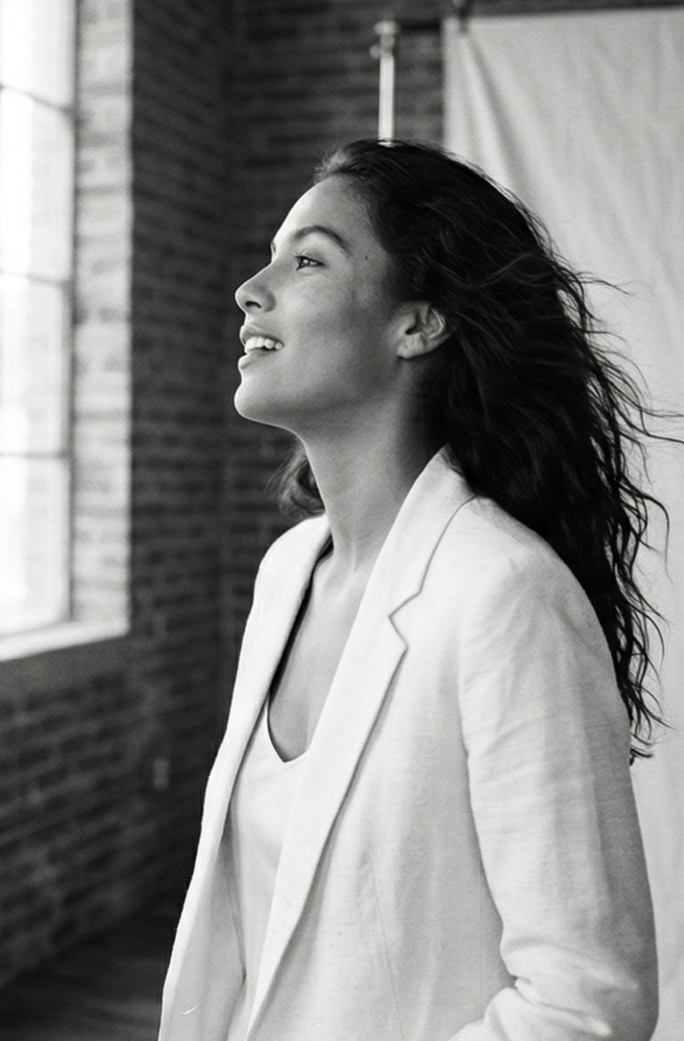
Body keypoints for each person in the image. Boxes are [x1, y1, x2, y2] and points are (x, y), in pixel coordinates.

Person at [158, 140, 661, 1041]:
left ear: (419, 324)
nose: (250, 289)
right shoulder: (286, 573)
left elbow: (588, 1002)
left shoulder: (504, 593)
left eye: (308, 260)